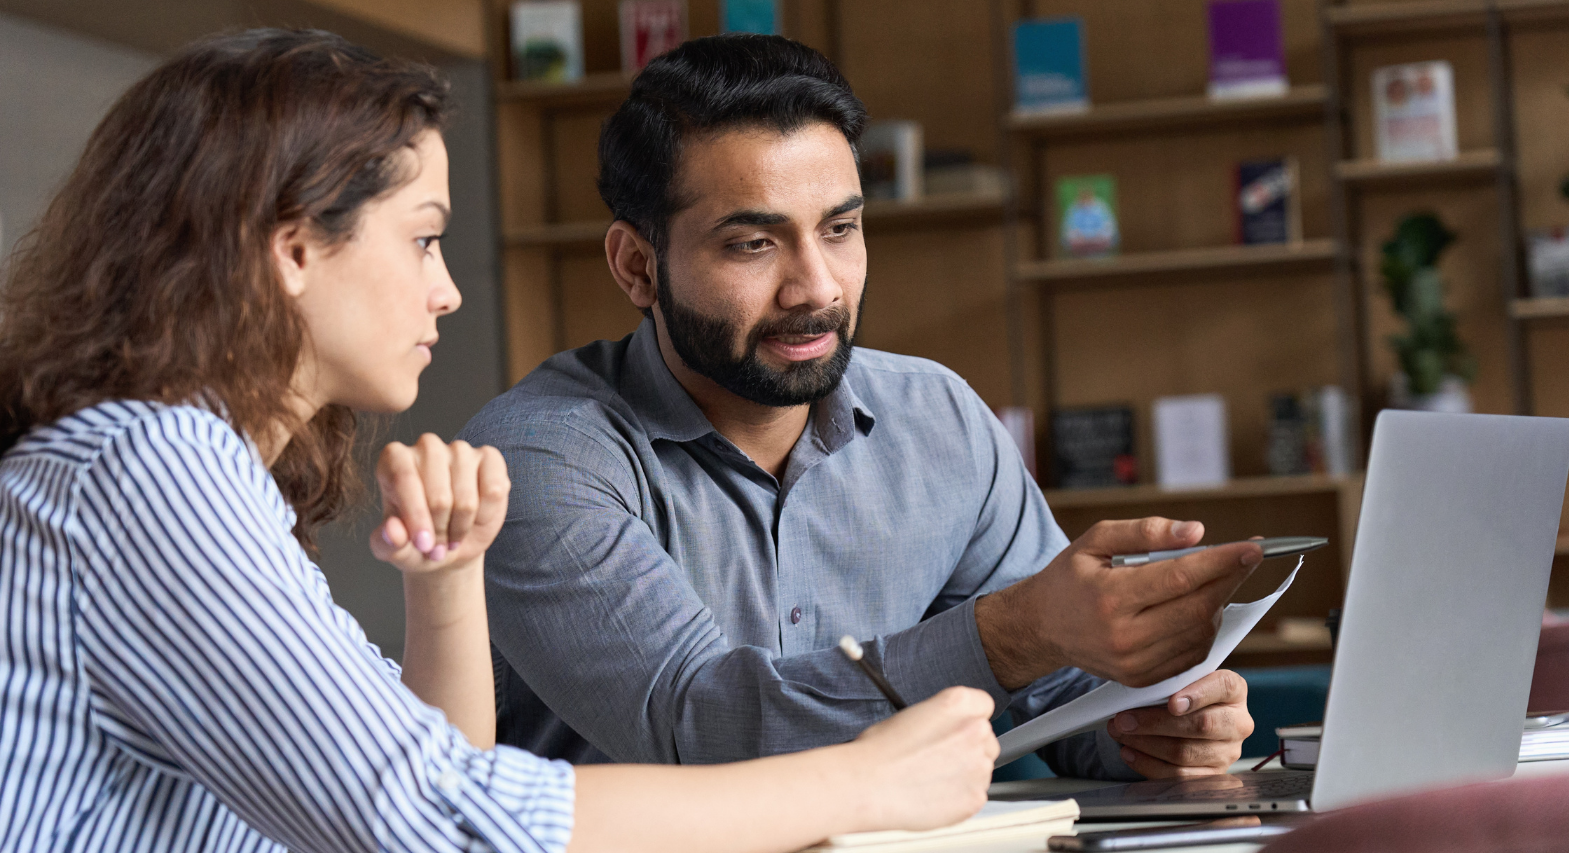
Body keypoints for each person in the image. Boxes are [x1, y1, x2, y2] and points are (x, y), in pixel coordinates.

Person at [0, 29, 1001, 853]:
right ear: (296, 246)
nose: (447, 288)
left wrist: (444, 585)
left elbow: (417, 772)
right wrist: (857, 784)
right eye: (424, 237)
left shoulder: (169, 470)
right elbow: (429, 816)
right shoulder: (149, 468)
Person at [464, 34, 1260, 781]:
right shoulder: (538, 458)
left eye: (839, 228)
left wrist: (1160, 723)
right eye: (753, 244)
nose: (818, 287)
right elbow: (701, 728)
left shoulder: (938, 419)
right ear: (638, 266)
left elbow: (1063, 701)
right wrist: (1016, 631)